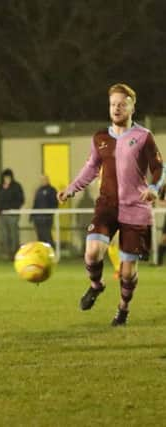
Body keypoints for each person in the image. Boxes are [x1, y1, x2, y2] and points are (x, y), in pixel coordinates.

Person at [58, 83, 164, 326]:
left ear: (131, 107)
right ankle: (96, 285)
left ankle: (123, 309)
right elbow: (91, 168)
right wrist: (71, 188)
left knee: (127, 272)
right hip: (107, 206)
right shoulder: (101, 138)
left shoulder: (143, 136)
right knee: (92, 252)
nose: (116, 108)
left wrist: (154, 189)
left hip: (136, 209)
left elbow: (159, 168)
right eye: (113, 104)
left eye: (121, 104)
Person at [0, 168, 24, 259]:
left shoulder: (16, 186)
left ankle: (15, 252)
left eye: (8, 177)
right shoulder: (0, 187)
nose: (7, 179)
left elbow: (21, 199)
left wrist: (12, 207)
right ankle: (7, 253)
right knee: (5, 235)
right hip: (3, 215)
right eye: (5, 177)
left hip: (13, 215)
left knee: (14, 234)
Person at [29, 175, 57, 247]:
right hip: (38, 217)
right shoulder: (38, 191)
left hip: (47, 217)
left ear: (48, 180)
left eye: (44, 180)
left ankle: (51, 251)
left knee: (47, 235)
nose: (43, 181)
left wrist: (50, 213)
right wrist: (32, 215)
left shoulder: (52, 190)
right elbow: (35, 203)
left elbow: (54, 203)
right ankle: (42, 252)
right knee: (40, 236)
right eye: (42, 180)